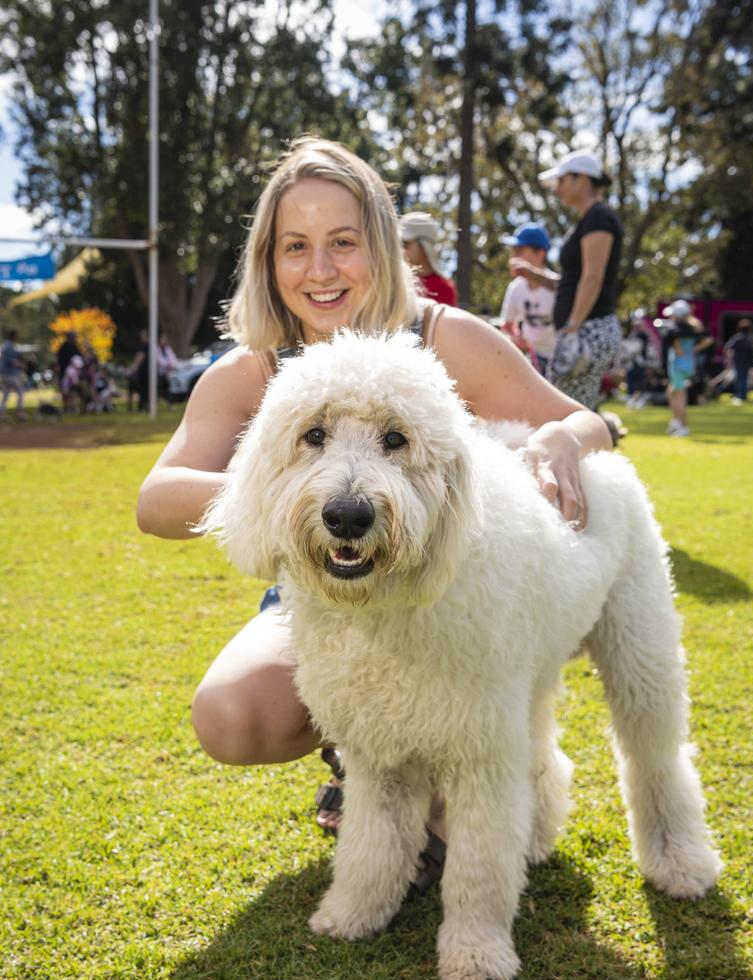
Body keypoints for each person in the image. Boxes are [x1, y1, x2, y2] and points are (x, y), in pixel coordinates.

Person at [136, 137, 611, 859]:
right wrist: (287, 485)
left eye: (342, 243)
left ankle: (465, 754)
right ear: (268, 260)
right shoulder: (253, 367)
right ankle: (359, 755)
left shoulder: (444, 337)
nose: (320, 270)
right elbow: (157, 499)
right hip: (329, 597)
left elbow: (587, 419)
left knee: (462, 820)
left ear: (384, 247)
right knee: (234, 715)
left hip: (449, 597)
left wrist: (563, 442)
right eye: (295, 246)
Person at [509, 150, 623, 411]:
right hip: (583, 328)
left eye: (562, 181)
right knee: (574, 409)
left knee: (564, 412)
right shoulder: (589, 219)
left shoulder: (599, 218)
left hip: (588, 329)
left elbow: (592, 277)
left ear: (582, 179)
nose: (557, 189)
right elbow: (570, 283)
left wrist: (573, 327)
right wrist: (533, 273)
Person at [499, 224, 556, 375]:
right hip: (532, 359)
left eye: (520, 250)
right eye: (513, 251)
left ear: (540, 253)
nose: (514, 256)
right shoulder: (516, 288)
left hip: (561, 358)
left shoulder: (556, 286)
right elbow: (507, 325)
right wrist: (516, 339)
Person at [662, 299, 713, 437]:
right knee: (671, 392)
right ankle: (675, 422)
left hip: (678, 366)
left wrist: (692, 349)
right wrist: (695, 349)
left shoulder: (675, 330)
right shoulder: (693, 328)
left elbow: (677, 349)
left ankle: (682, 426)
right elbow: (708, 339)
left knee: (679, 396)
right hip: (688, 365)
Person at [399, 211, 458, 306]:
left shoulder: (443, 288)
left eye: (405, 244)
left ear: (424, 245)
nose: (401, 251)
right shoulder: (396, 283)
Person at [724, 318, 753, 405]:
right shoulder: (750, 338)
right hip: (747, 362)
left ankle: (740, 395)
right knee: (744, 379)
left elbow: (728, 348)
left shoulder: (736, 338)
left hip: (738, 361)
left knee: (740, 379)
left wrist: (728, 359)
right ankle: (743, 395)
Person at [0, 328, 25, 415]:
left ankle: (2, 413)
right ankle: (20, 412)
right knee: (21, 391)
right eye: (17, 335)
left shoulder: (6, 345)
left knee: (6, 394)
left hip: (5, 374)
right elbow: (9, 360)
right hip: (10, 374)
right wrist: (19, 364)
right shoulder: (9, 346)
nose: (18, 337)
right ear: (13, 336)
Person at [157, 333, 179, 406]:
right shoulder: (157, 349)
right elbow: (159, 360)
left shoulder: (168, 349)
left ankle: (170, 403)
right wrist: (166, 365)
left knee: (167, 389)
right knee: (160, 389)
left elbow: (173, 359)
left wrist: (171, 365)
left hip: (168, 373)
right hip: (160, 373)